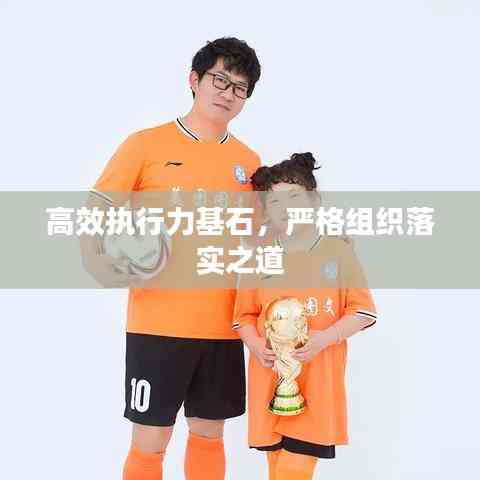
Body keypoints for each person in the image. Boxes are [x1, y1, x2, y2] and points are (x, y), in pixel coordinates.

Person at [80, 37, 261, 480]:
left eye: (240, 87)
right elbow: (97, 209)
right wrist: (100, 266)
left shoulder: (249, 162)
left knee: (209, 435)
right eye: (220, 79)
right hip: (157, 325)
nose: (228, 93)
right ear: (194, 80)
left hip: (224, 326)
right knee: (150, 440)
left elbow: (260, 239)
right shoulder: (145, 145)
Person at [233, 152, 377, 480]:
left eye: (294, 197)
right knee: (276, 467)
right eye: (275, 201)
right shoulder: (260, 256)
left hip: (317, 383)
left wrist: (325, 338)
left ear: (313, 201)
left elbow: (363, 311)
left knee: (293, 469)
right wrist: (255, 344)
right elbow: (243, 316)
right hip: (269, 382)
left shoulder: (338, 251)